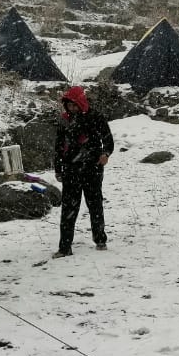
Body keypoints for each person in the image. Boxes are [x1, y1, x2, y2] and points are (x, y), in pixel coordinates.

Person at [52, 85, 114, 257]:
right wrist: (58, 168)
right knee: (68, 208)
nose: (71, 108)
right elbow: (58, 147)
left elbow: (108, 139)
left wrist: (105, 153)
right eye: (68, 105)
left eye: (74, 105)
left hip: (93, 168)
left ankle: (100, 239)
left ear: (81, 102)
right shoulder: (65, 120)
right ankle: (65, 248)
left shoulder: (95, 117)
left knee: (95, 204)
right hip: (71, 169)